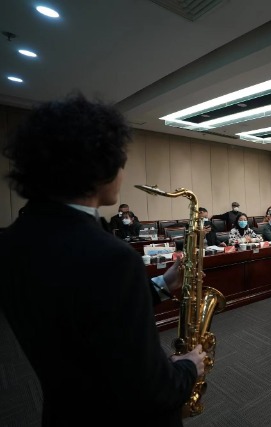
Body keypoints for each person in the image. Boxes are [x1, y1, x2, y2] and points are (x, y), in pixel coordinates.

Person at [0, 94, 204, 426]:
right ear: (100, 166)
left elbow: (82, 309)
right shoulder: (113, 258)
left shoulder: (12, 241)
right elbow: (151, 390)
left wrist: (162, 284)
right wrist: (188, 367)